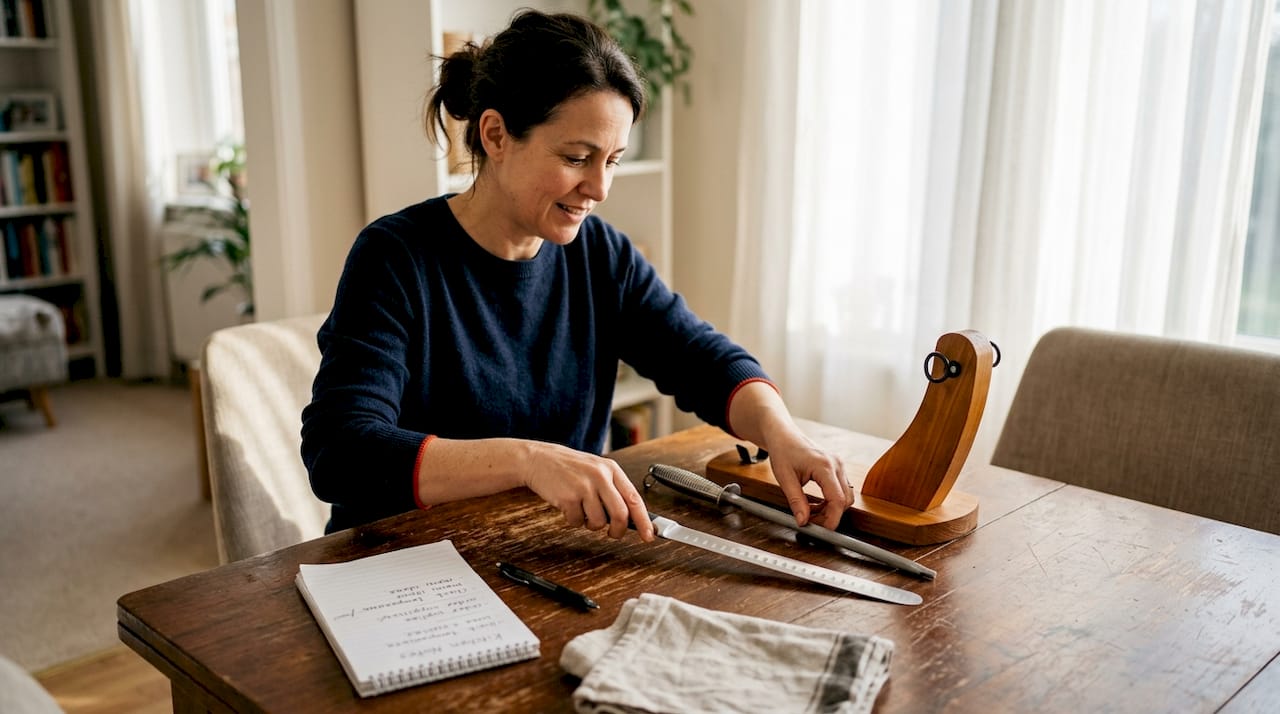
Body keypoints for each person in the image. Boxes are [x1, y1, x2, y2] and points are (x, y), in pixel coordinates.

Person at [301, 9, 850, 543]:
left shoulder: (600, 254)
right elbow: (341, 452)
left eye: (611, 160)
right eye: (576, 156)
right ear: (494, 135)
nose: (600, 188)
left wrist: (781, 432)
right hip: (404, 566)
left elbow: (699, 357)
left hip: (537, 547)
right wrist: (527, 461)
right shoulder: (396, 257)